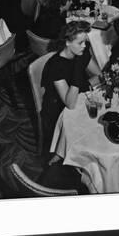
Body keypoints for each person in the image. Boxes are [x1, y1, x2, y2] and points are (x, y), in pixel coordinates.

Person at [40, 20, 92, 151]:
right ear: (67, 42)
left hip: (76, 99)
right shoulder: (56, 66)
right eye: (80, 43)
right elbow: (70, 103)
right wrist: (79, 70)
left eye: (85, 41)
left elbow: (98, 75)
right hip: (57, 111)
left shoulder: (80, 52)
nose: (84, 46)